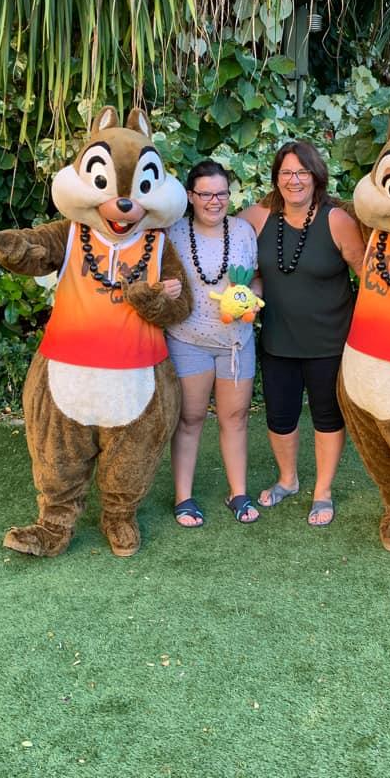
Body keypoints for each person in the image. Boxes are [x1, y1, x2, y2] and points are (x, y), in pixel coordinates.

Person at [239, 141, 366, 526]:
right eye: (286, 173)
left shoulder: (337, 221)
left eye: (302, 173)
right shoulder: (257, 218)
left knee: (327, 416)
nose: (294, 180)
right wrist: (246, 294)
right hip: (279, 339)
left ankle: (322, 492)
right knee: (280, 416)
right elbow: (227, 248)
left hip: (329, 341)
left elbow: (368, 277)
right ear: (276, 178)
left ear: (316, 177)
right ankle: (288, 480)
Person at [166, 160, 262, 526]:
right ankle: (183, 497)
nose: (214, 201)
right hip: (188, 340)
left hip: (236, 343)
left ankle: (238, 492)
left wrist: (251, 297)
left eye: (221, 193)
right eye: (205, 194)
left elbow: (255, 279)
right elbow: (156, 281)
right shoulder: (173, 233)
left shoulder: (242, 232)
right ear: (190, 196)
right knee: (189, 419)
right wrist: (165, 289)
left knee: (235, 418)